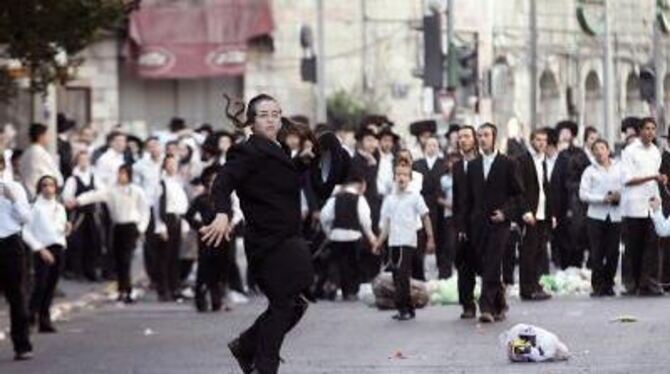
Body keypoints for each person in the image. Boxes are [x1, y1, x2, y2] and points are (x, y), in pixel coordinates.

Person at [200, 94, 347, 374]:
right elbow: (222, 182)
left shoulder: (279, 150)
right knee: (284, 304)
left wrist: (303, 163)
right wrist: (222, 213)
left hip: (289, 238)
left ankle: (246, 346)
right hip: (266, 243)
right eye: (264, 114)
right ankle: (263, 365)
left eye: (276, 114)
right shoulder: (246, 151)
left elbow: (282, 182)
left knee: (295, 303)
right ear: (252, 122)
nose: (271, 119)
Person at [465, 123, 523, 323]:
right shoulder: (472, 166)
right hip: (478, 224)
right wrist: (465, 225)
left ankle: (486, 308)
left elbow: (517, 195)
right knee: (484, 265)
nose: (482, 139)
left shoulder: (508, 163)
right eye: (479, 136)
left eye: (486, 135)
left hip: (499, 223)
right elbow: (468, 198)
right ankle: (500, 304)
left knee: (492, 262)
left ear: (494, 138)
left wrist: (506, 213)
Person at [68, 164, 150, 303]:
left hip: (131, 226)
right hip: (117, 226)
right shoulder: (112, 190)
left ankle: (126, 290)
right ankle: (121, 289)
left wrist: (141, 228)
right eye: (119, 173)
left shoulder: (136, 191)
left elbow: (144, 211)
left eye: (123, 173)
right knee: (118, 259)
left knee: (126, 259)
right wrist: (78, 201)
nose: (121, 176)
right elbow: (94, 195)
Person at [374, 158, 435, 321]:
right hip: (393, 242)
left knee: (402, 275)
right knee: (395, 276)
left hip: (408, 241)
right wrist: (379, 242)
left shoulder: (415, 197)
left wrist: (430, 238)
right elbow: (386, 223)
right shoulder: (390, 199)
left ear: (410, 178)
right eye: (398, 175)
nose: (401, 178)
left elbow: (425, 217)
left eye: (405, 175)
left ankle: (407, 308)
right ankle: (403, 308)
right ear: (394, 177)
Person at [620, 117, 665, 296]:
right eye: (647, 128)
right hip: (633, 206)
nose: (650, 132)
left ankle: (649, 283)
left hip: (651, 204)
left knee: (652, 247)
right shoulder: (630, 151)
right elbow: (627, 180)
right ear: (640, 131)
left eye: (653, 129)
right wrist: (652, 177)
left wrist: (659, 184)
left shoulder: (655, 151)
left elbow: (655, 178)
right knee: (633, 247)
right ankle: (632, 284)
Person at [185, 166, 239, 312]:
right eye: (211, 180)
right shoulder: (200, 199)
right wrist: (200, 227)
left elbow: (233, 214)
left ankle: (218, 300)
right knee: (203, 269)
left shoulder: (226, 199)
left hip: (224, 237)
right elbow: (189, 216)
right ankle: (200, 300)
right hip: (207, 236)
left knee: (221, 269)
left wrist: (230, 225)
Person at [22, 175, 69, 333]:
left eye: (51, 185)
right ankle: (30, 317)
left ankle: (44, 318)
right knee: (40, 285)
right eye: (44, 185)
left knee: (51, 286)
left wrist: (66, 231)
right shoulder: (35, 208)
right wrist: (40, 249)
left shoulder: (59, 207)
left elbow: (59, 229)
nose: (48, 188)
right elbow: (26, 231)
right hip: (43, 249)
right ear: (40, 188)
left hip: (58, 248)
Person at [320, 172, 377, 301]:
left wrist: (328, 232)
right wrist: (371, 236)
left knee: (336, 263)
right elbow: (365, 220)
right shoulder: (359, 199)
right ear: (360, 185)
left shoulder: (335, 198)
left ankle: (334, 285)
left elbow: (324, 216)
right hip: (354, 235)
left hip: (336, 235)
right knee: (352, 265)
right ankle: (350, 291)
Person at [579, 139, 623, 297]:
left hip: (615, 215)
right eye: (595, 149)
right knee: (597, 252)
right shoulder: (589, 171)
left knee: (613, 252)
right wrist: (602, 198)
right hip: (596, 216)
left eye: (602, 148)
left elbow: (626, 186)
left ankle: (609, 283)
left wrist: (619, 195)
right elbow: (583, 194)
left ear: (608, 150)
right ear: (592, 153)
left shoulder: (619, 168)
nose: (599, 152)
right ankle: (597, 285)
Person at [0, 155, 33, 360]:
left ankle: (22, 345)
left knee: (17, 296)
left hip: (10, 244)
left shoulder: (15, 188)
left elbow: (27, 218)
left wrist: (12, 199)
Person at [516, 128, 553, 301]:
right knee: (528, 252)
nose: (541, 143)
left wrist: (551, 214)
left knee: (539, 251)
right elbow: (518, 189)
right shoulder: (522, 160)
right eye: (538, 140)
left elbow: (545, 188)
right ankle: (527, 288)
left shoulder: (543, 160)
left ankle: (536, 285)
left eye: (544, 140)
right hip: (530, 213)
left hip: (542, 213)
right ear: (531, 141)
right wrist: (524, 211)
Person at [452, 126, 479, 319]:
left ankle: (493, 303)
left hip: (483, 222)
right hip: (464, 223)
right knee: (464, 266)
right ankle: (467, 304)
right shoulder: (457, 166)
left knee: (488, 266)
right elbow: (457, 199)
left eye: (467, 136)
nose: (463, 140)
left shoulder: (483, 163)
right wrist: (459, 226)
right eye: (460, 137)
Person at [154, 154, 189, 301]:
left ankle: (175, 288)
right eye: (169, 164)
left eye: (174, 164)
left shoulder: (178, 183)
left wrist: (184, 225)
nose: (172, 167)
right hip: (166, 220)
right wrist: (160, 227)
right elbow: (157, 208)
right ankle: (164, 290)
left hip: (178, 220)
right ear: (164, 166)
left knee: (175, 257)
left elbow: (183, 205)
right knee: (164, 258)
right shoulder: (161, 184)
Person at [62, 151, 101, 281]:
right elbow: (67, 197)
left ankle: (90, 270)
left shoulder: (94, 176)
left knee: (93, 242)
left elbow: (101, 192)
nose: (84, 162)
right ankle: (77, 271)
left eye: (86, 159)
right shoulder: (73, 178)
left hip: (92, 214)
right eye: (81, 159)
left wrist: (83, 199)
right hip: (78, 216)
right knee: (77, 243)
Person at [414, 136, 449, 279]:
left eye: (435, 145)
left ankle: (443, 275)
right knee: (420, 240)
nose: (432, 148)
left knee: (442, 241)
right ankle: (418, 276)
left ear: (438, 148)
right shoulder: (417, 164)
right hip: (421, 205)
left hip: (440, 207)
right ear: (425, 147)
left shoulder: (444, 164)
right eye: (429, 145)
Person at [133, 136, 163, 286]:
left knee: (165, 242)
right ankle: (152, 276)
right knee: (150, 243)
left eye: (156, 145)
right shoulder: (140, 166)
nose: (154, 149)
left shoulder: (167, 162)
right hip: (148, 207)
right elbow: (137, 188)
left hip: (164, 206)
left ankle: (164, 275)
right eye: (150, 146)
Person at [18, 123, 63, 199]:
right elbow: (50, 174)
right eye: (47, 135)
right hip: (39, 195)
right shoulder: (39, 153)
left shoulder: (26, 153)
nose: (48, 137)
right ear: (41, 136)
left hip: (28, 194)